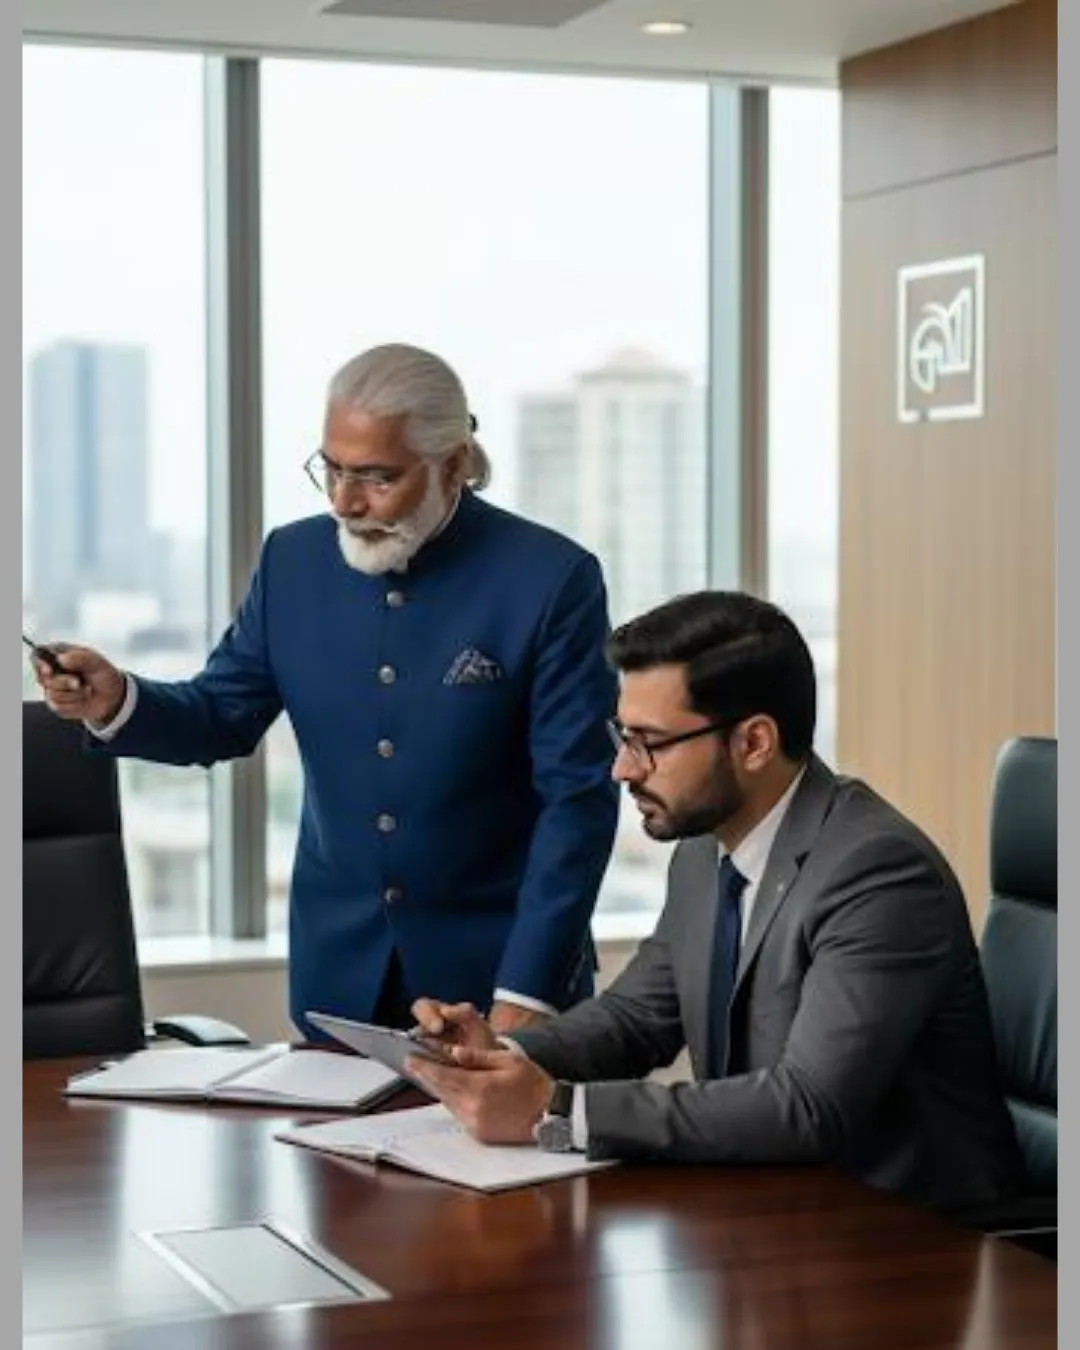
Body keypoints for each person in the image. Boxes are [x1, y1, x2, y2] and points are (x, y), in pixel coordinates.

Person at [31, 343, 620, 1040]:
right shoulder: (292, 559)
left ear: (455, 464)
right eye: (331, 469)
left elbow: (577, 801)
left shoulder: (552, 579)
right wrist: (117, 699)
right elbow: (221, 712)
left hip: (496, 984)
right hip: (338, 985)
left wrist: (528, 993)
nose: (344, 501)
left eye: (377, 477)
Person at [407, 591, 1024, 1215]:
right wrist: (500, 1058)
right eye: (622, 735)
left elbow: (808, 1106)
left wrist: (557, 1108)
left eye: (649, 741)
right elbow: (636, 1018)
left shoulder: (878, 874)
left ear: (754, 742)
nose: (622, 768)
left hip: (914, 1245)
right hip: (773, 1219)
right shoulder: (706, 851)